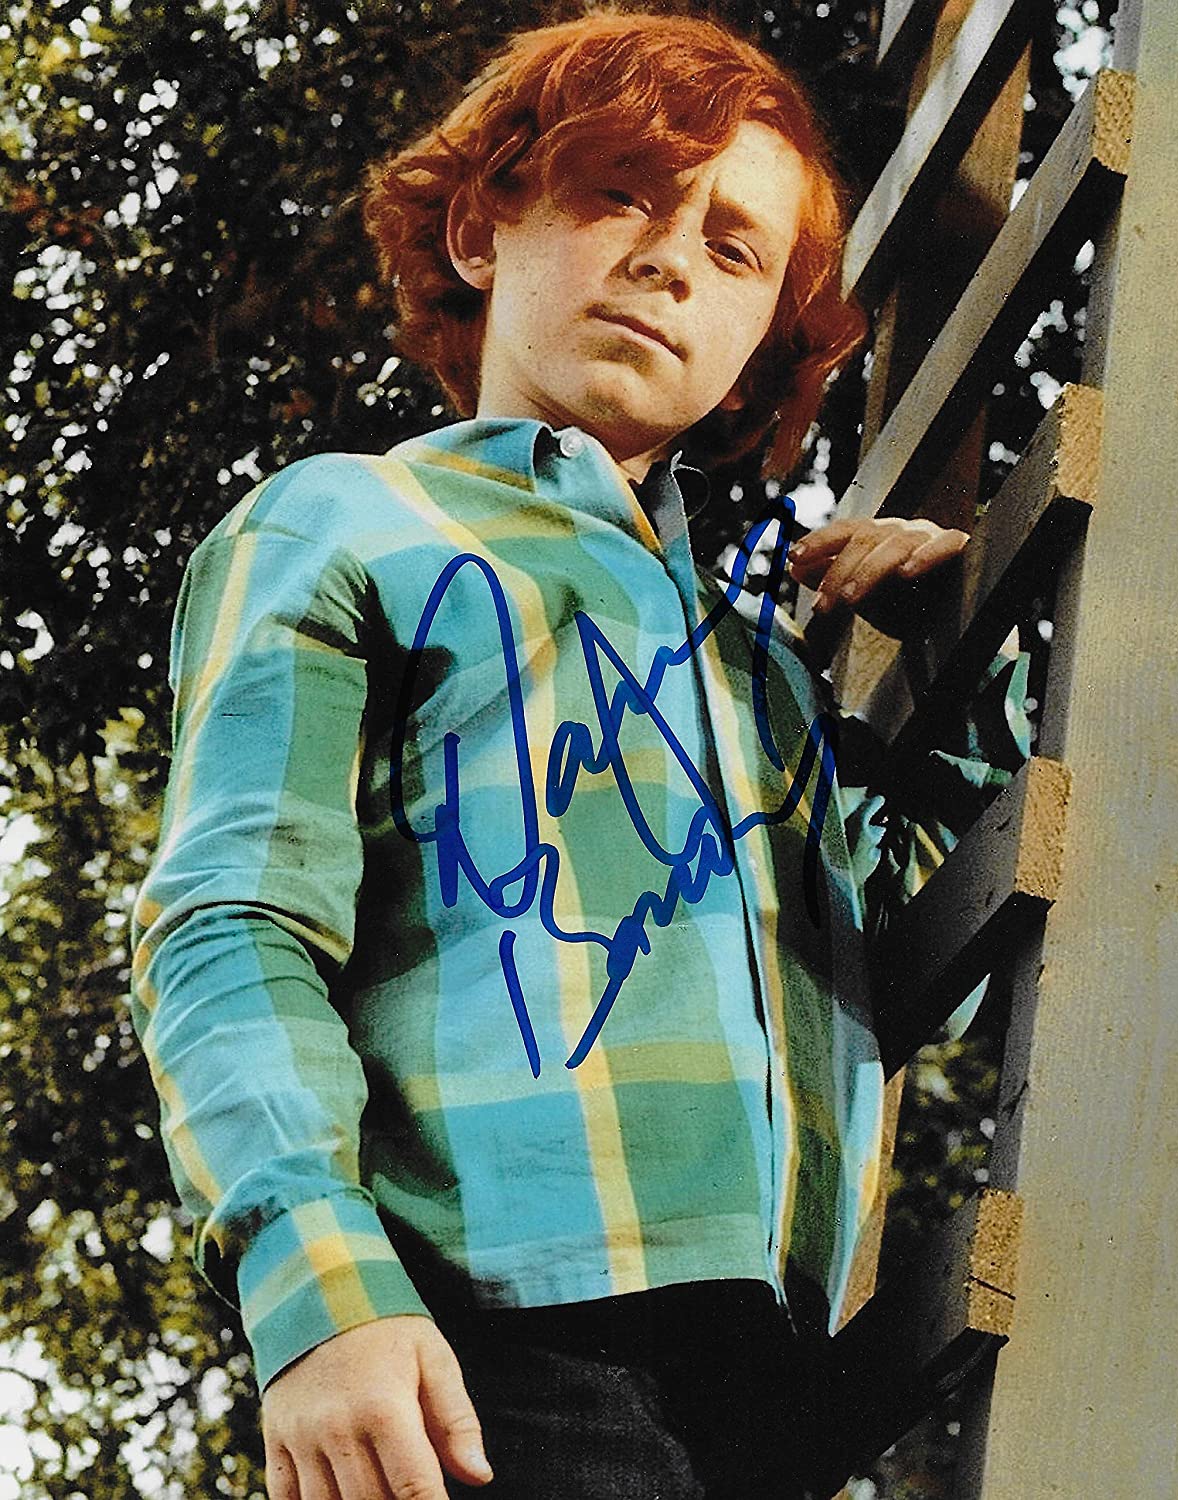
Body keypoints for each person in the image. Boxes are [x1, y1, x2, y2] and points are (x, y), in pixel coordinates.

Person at [130, 12, 1028, 1498]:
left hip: (774, 1388)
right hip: (488, 1349)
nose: (673, 261)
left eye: (735, 250)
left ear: (757, 350)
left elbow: (925, 952)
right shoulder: (347, 521)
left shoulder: (767, 679)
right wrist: (315, 1283)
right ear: (482, 231)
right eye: (624, 194)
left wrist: (965, 649)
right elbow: (231, 920)